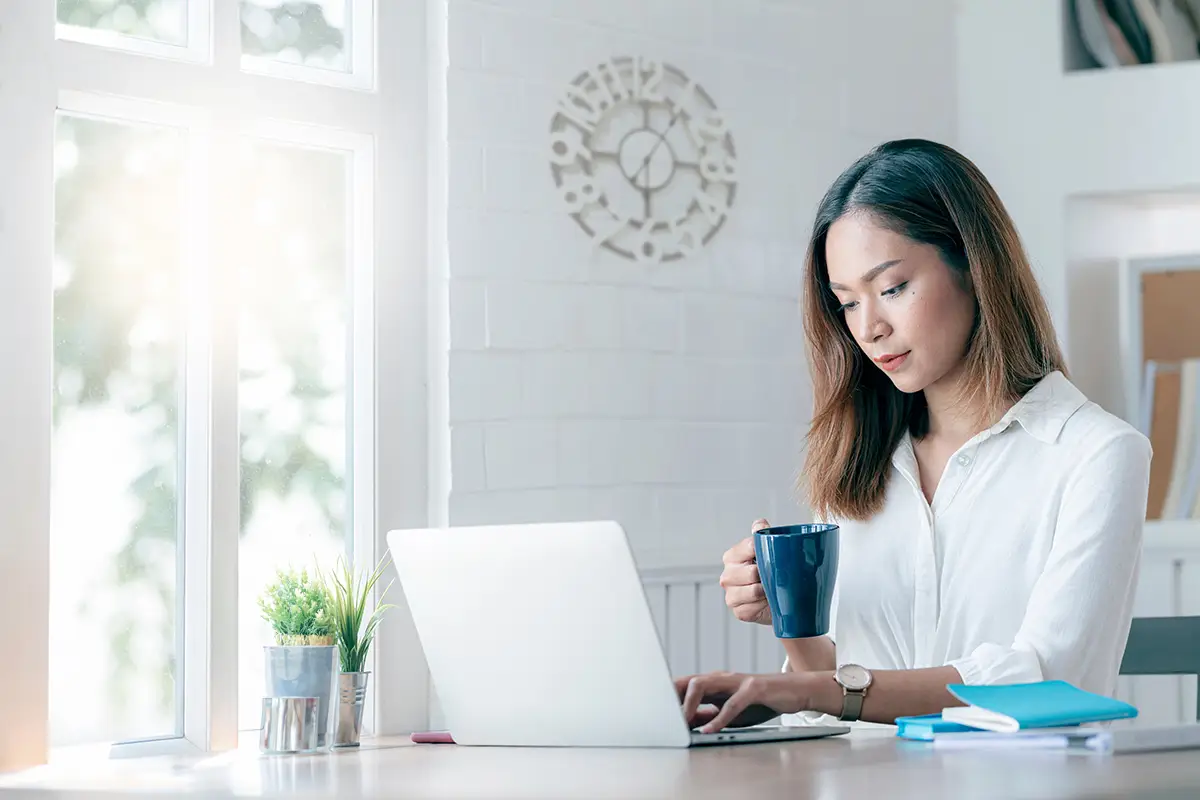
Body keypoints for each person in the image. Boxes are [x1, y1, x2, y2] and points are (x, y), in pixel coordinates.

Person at [675, 138, 1153, 735]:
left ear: (974, 267)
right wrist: (794, 622)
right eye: (847, 304)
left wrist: (808, 688)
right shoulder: (860, 462)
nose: (870, 328)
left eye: (893, 288)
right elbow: (831, 688)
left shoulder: (1097, 454)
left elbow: (1048, 679)